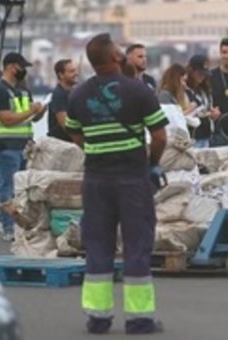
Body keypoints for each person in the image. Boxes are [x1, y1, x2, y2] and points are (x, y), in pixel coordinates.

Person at [65, 33, 168, 335]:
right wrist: (152, 162)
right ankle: (139, 319)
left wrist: (99, 149)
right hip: (132, 179)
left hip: (96, 179)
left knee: (97, 244)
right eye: (120, 50)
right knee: (137, 245)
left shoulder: (78, 95)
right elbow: (160, 136)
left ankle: (98, 317)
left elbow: (76, 134)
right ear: (114, 58)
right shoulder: (139, 90)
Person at [0, 52, 46, 241]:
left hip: (25, 146)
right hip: (7, 146)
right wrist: (30, 110)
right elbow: (7, 119)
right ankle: (9, 228)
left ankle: (25, 226)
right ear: (12, 67)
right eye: (22, 67)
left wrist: (39, 112)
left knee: (26, 190)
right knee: (9, 188)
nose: (24, 71)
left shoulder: (23, 90)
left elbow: (29, 117)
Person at [185, 55, 220, 148]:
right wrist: (206, 114)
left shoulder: (204, 90)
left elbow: (207, 107)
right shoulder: (185, 90)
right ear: (191, 71)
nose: (202, 76)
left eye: (204, 73)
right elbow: (185, 113)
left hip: (206, 135)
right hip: (192, 137)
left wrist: (213, 113)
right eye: (199, 73)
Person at [157, 63, 201, 130]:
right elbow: (169, 119)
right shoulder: (165, 95)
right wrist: (186, 113)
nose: (184, 84)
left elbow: (198, 101)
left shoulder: (172, 95)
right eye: (183, 80)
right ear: (176, 80)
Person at [47, 59, 78, 142]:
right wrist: (81, 141)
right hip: (61, 144)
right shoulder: (59, 94)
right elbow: (64, 124)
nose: (76, 74)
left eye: (75, 70)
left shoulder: (74, 93)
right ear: (61, 75)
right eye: (71, 71)